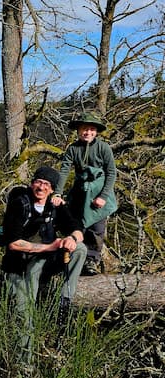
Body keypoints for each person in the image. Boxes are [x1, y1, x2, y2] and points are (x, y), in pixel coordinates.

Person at [0, 166, 86, 363]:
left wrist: (71, 238)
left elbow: (77, 229)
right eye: (38, 182)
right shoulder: (19, 204)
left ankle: (65, 298)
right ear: (32, 184)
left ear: (52, 189)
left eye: (46, 184)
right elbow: (13, 243)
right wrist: (50, 247)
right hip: (19, 268)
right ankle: (24, 366)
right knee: (25, 316)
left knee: (80, 248)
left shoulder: (55, 206)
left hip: (42, 264)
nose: (41, 187)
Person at [53, 112, 117, 275]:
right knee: (77, 226)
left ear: (96, 131)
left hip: (99, 193)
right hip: (80, 193)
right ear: (78, 130)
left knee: (96, 229)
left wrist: (103, 196)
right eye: (84, 129)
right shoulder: (73, 149)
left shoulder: (104, 148)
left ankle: (92, 260)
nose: (88, 132)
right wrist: (58, 193)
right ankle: (74, 258)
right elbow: (64, 170)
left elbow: (111, 173)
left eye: (91, 129)